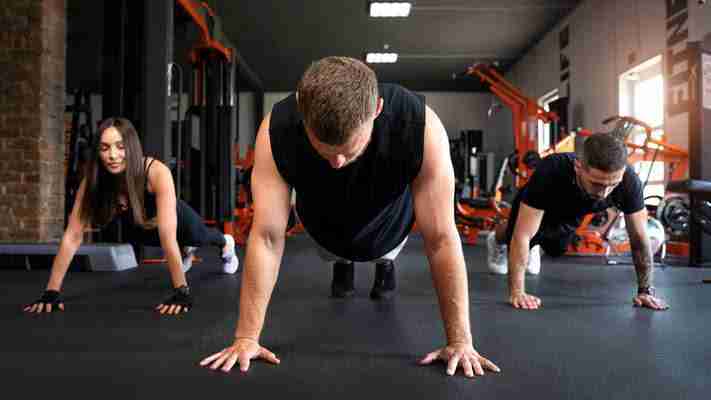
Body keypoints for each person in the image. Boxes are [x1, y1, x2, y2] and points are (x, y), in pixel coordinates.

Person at [199, 57, 500, 378]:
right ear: (303, 116)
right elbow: (267, 237)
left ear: (377, 109)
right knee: (336, 255)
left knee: (387, 252)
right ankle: (344, 264)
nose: (339, 163)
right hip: (323, 231)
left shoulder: (420, 126)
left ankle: (384, 264)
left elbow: (440, 238)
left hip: (388, 230)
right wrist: (246, 337)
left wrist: (460, 341)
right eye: (326, 151)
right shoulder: (276, 130)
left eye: (349, 150)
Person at [23, 117, 239, 316]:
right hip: (142, 225)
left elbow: (166, 234)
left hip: (175, 219)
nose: (113, 155)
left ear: (132, 147)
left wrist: (181, 290)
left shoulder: (155, 172)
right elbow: (72, 236)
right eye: (105, 148)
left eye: (120, 147)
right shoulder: (93, 181)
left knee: (197, 235)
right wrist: (51, 291)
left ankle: (224, 243)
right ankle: (185, 249)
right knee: (137, 230)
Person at [486, 133, 670, 311]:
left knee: (557, 248)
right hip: (541, 202)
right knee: (515, 233)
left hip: (572, 211)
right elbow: (522, 234)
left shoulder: (629, 182)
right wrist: (517, 292)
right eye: (597, 184)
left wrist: (645, 291)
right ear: (578, 166)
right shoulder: (551, 169)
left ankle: (536, 244)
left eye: (612, 185)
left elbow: (639, 238)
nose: (604, 193)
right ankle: (495, 240)